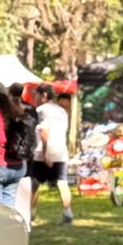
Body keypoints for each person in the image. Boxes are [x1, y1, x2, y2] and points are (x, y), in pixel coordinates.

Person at [29, 85, 74, 224]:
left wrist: (44, 153)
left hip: (43, 153)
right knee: (62, 182)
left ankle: (29, 213)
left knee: (34, 184)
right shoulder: (62, 111)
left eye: (36, 95)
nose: (34, 98)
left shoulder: (41, 110)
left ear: (43, 95)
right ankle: (68, 212)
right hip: (60, 151)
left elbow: (44, 131)